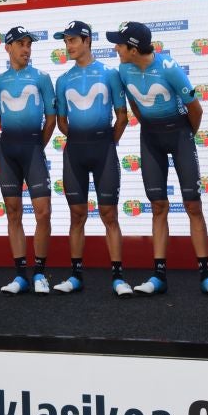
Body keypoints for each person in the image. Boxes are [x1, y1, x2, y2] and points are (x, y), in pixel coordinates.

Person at [109, 21, 208, 298]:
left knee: (192, 205)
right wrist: (151, 127)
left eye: (119, 43)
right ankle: (159, 275)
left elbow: (195, 109)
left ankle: (206, 276)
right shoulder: (123, 70)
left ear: (133, 48)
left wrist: (185, 136)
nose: (115, 47)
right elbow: (135, 105)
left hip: (179, 135)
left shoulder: (169, 68)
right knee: (158, 206)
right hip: (151, 139)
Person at [53, 20, 133, 297]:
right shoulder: (63, 80)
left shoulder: (110, 74)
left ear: (87, 41)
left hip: (104, 149)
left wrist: (109, 141)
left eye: (73, 40)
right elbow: (61, 122)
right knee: (77, 215)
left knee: (109, 214)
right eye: (65, 41)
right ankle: (75, 275)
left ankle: (118, 277)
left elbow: (122, 116)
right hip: (75, 151)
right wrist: (79, 137)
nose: (68, 46)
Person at [0, 26, 57, 295]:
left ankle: (40, 272)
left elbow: (51, 118)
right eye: (20, 44)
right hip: (7, 148)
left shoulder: (42, 77)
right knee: (13, 212)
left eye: (28, 44)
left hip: (32, 147)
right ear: (8, 48)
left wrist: (36, 145)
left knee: (43, 211)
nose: (26, 49)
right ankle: (20, 274)